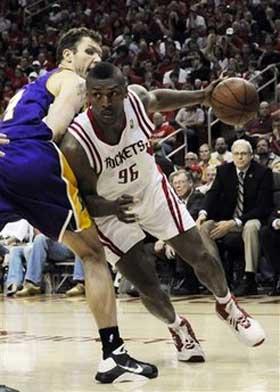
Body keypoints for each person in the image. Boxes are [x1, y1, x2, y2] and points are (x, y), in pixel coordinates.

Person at [60, 62, 266, 372]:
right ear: (88, 96)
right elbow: (86, 199)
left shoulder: (136, 103)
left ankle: (227, 305)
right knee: (146, 282)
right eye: (98, 95)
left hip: (151, 190)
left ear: (124, 92)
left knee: (201, 254)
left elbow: (158, 99)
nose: (106, 102)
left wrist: (203, 95)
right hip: (110, 211)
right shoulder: (77, 142)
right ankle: (177, 327)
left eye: (113, 94)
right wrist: (111, 208)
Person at [0, 28, 157, 384]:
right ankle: (113, 355)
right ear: (67, 56)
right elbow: (55, 125)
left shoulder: (28, 89)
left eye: (100, 53)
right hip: (32, 160)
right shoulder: (71, 79)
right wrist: (41, 141)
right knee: (92, 255)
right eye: (89, 51)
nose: (97, 59)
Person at [197, 140, 273, 295]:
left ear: (251, 156)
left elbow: (263, 207)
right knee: (205, 227)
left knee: (251, 227)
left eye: (244, 154)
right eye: (237, 154)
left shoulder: (263, 173)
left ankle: (249, 278)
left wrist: (234, 222)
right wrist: (203, 214)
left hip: (251, 219)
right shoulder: (224, 170)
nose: (240, 157)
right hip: (227, 219)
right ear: (233, 156)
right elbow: (212, 194)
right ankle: (219, 276)